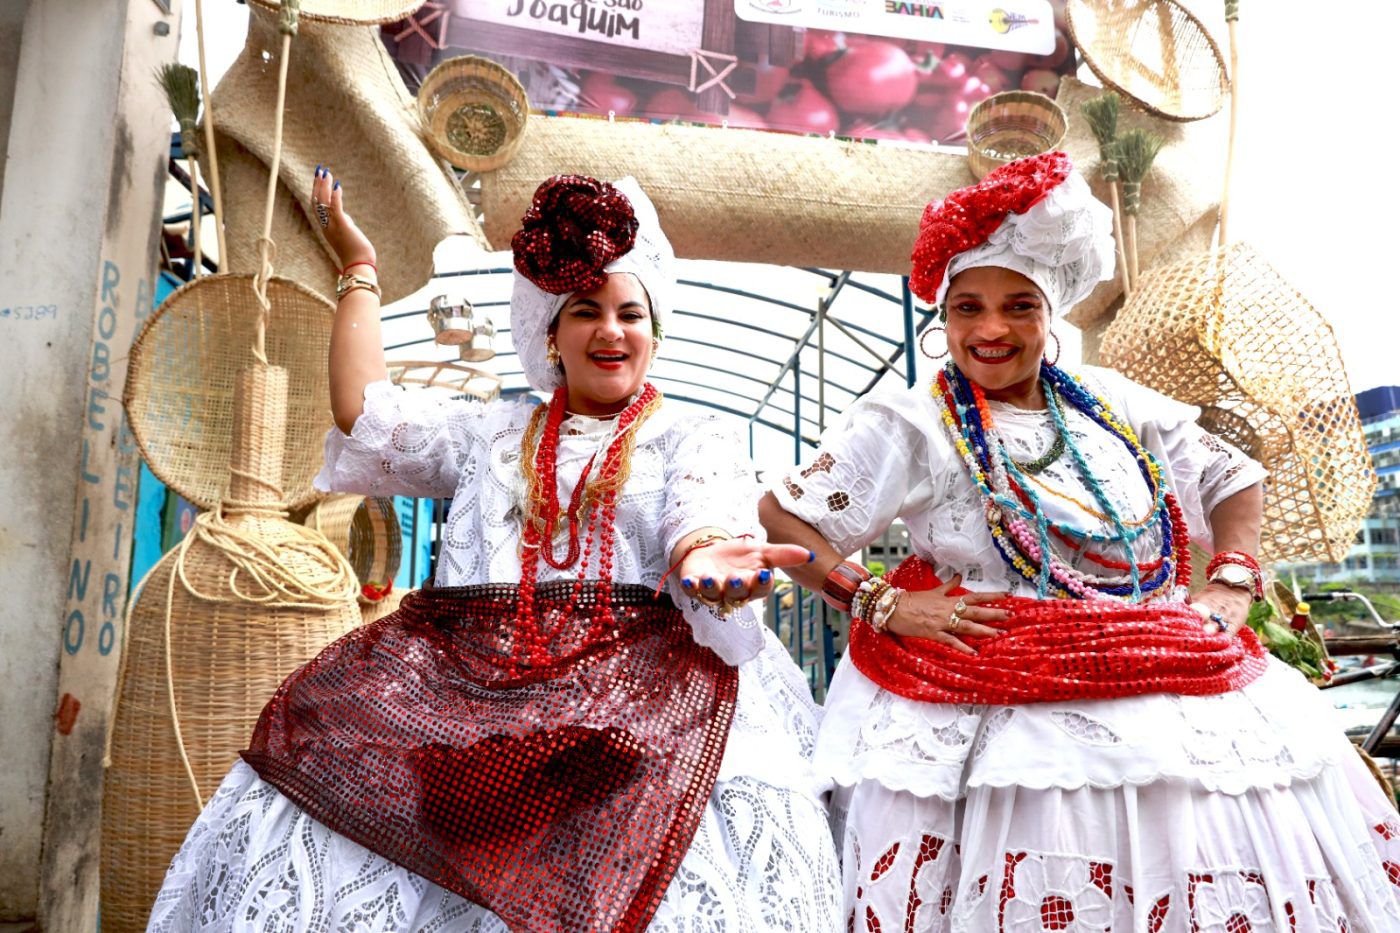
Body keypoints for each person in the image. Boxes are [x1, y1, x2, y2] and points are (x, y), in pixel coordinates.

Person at [148, 172, 841, 931]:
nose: (611, 330)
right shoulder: (491, 432)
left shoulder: (690, 436)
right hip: (483, 701)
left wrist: (712, 570)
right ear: (550, 330)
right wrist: (360, 270)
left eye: (630, 312)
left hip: (649, 705)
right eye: (587, 311)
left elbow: (699, 521)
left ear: (655, 327)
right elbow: (364, 413)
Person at [759, 152, 1400, 931]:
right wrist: (884, 601)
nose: (991, 328)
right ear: (944, 319)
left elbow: (1233, 474)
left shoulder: (1111, 400)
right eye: (967, 307)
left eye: (1017, 305)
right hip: (991, 699)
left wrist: (1232, 577)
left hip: (1164, 663)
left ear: (1050, 313)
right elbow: (786, 518)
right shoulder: (912, 418)